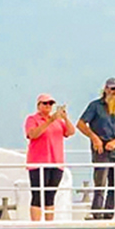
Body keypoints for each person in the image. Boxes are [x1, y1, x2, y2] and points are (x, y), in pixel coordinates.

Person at [76, 78, 115, 219]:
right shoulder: (95, 106)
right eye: (113, 89)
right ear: (106, 89)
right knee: (100, 184)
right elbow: (81, 124)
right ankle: (97, 214)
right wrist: (95, 138)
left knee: (114, 186)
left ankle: (109, 215)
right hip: (101, 151)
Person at [24, 93, 75, 222]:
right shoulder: (32, 119)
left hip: (56, 163)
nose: (48, 106)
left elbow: (70, 132)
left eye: (50, 104)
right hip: (38, 163)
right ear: (38, 105)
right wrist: (49, 121)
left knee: (50, 195)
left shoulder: (58, 121)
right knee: (37, 194)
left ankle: (49, 222)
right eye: (45, 103)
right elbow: (33, 134)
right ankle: (35, 223)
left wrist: (65, 118)